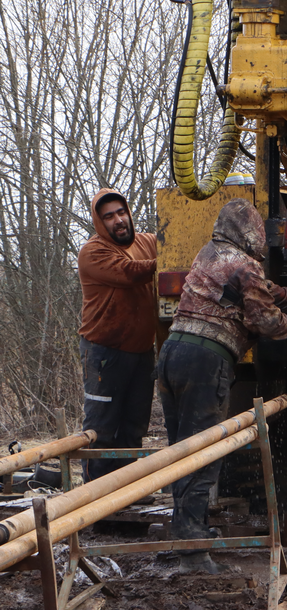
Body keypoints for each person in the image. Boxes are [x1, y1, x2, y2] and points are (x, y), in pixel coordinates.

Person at [156, 197, 287, 574]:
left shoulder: (210, 254)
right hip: (205, 361)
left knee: (180, 451)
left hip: (171, 353)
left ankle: (184, 532)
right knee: (204, 453)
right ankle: (194, 554)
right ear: (252, 234)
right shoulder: (245, 264)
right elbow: (264, 319)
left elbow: (252, 289)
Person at [78, 189, 158, 482]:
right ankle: (94, 506)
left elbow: (173, 244)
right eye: (109, 216)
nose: (118, 220)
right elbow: (130, 272)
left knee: (134, 429)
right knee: (101, 430)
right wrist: (168, 261)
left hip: (141, 352)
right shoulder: (93, 252)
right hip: (104, 353)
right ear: (100, 223)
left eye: (121, 212)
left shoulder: (147, 242)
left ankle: (127, 499)